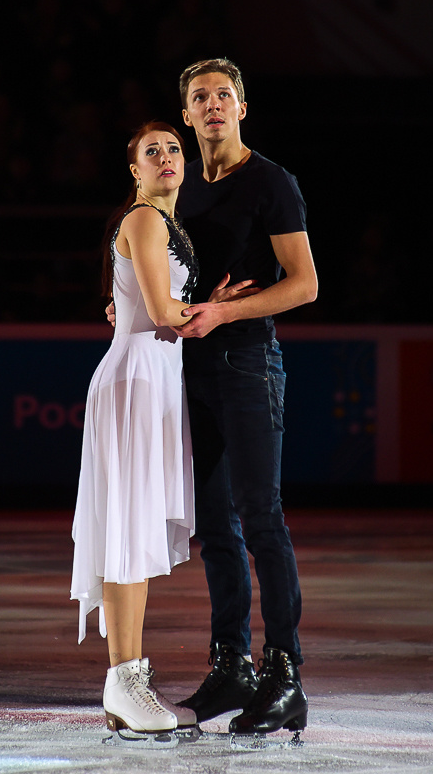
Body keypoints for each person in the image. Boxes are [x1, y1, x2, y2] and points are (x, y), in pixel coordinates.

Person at [174, 58, 318, 736]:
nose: (212, 106)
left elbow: (305, 284)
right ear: (185, 115)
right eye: (199, 97)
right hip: (191, 367)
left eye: (223, 95)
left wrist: (227, 314)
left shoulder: (271, 182)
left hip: (248, 360)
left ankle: (284, 673)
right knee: (215, 527)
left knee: (260, 518)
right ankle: (232, 662)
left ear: (242, 108)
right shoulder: (178, 188)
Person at [70, 121, 199, 737]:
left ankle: (127, 679)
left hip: (152, 379)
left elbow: (147, 305)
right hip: (134, 385)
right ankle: (124, 678)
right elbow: (162, 312)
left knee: (136, 529)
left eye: (175, 148)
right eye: (153, 151)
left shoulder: (165, 225)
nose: (167, 156)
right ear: (135, 170)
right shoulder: (146, 218)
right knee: (127, 531)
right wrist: (223, 307)